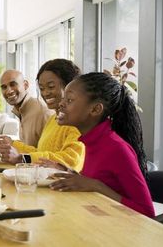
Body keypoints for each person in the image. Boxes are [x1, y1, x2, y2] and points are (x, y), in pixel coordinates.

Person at [46, 72, 155, 217]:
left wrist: (96, 186)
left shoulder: (117, 149)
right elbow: (105, 180)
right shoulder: (91, 140)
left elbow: (147, 212)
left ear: (95, 109)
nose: (61, 104)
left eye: (70, 100)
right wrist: (72, 174)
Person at [0, 59, 85, 172]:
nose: (45, 93)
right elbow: (40, 150)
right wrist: (12, 144)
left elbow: (70, 160)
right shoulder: (54, 118)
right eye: (42, 88)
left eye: (51, 87)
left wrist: (22, 158)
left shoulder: (78, 122)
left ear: (70, 87)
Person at [0, 70, 54, 147]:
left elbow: (50, 153)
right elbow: (30, 145)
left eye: (13, 84)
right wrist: (11, 143)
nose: (9, 91)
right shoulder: (21, 110)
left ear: (25, 85)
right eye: (4, 87)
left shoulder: (42, 111)